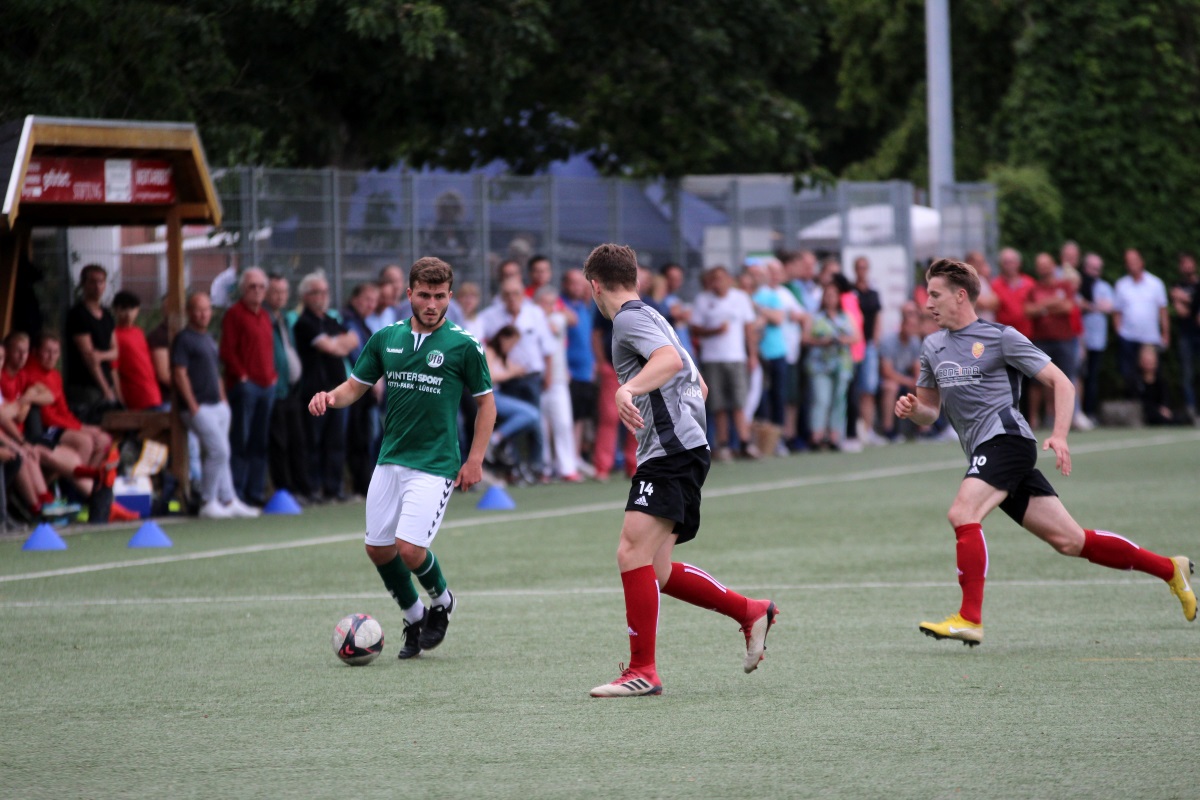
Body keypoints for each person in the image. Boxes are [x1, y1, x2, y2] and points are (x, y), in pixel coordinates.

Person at [895, 258, 1194, 647]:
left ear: (960, 295)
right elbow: (930, 410)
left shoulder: (1001, 336)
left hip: (1008, 441)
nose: (927, 303)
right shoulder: (932, 346)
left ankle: (969, 618)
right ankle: (1171, 568)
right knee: (1071, 541)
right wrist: (913, 410)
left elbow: (1062, 383)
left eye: (935, 294)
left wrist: (1061, 435)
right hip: (987, 451)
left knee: (962, 512)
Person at [582, 243, 778, 698]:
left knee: (631, 553)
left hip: (670, 454)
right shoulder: (653, 315)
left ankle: (643, 671)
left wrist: (625, 390)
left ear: (594, 285)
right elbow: (698, 382)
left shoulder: (629, 320)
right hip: (685, 448)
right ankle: (751, 610)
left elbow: (670, 364)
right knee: (658, 570)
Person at [308, 256, 496, 660]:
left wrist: (475, 458)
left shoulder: (464, 346)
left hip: (436, 463)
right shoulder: (385, 338)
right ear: (409, 294)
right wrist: (329, 397)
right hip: (391, 458)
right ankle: (414, 617)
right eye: (424, 295)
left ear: (449, 297)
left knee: (409, 548)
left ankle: (443, 602)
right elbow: (355, 387)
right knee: (378, 548)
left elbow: (487, 406)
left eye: (440, 296)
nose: (432, 304)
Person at [172, 292, 260, 520]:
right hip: (198, 407)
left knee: (224, 452)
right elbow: (179, 374)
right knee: (219, 451)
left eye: (206, 309)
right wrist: (192, 406)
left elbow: (216, 373)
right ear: (189, 312)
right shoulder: (184, 339)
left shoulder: (209, 338)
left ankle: (229, 500)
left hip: (218, 405)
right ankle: (208, 501)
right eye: (198, 309)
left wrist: (223, 400)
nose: (203, 314)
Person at [294, 272, 359, 503]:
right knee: (314, 440)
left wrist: (336, 344)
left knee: (336, 440)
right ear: (305, 295)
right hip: (314, 391)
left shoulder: (329, 320)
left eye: (325, 291)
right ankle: (313, 488)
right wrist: (336, 344)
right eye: (316, 292)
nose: (322, 296)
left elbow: (352, 340)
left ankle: (333, 488)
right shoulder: (305, 323)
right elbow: (332, 347)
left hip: (337, 391)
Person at [219, 268, 277, 506]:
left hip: (267, 385)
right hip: (246, 387)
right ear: (243, 289)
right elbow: (227, 350)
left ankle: (255, 492)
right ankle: (237, 492)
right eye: (252, 286)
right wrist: (242, 376)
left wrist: (273, 375)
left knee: (260, 441)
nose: (257, 291)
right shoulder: (234, 315)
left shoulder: (265, 315)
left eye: (261, 287)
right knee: (241, 439)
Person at [689, 265, 760, 460]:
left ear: (729, 279)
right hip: (712, 359)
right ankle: (724, 444)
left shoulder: (740, 298)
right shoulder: (703, 300)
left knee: (739, 402)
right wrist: (714, 331)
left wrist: (752, 355)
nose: (718, 282)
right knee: (718, 404)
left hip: (736, 357)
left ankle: (745, 443)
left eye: (721, 278)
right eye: (714, 278)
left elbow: (749, 328)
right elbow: (694, 328)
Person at [264, 274, 313, 503]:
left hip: (293, 390)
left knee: (297, 440)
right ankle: (284, 491)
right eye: (275, 291)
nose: (280, 296)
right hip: (276, 390)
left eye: (284, 292)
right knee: (280, 443)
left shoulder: (284, 317)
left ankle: (302, 488)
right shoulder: (264, 318)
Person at [804, 280, 859, 451]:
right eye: (827, 295)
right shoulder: (814, 317)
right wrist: (823, 341)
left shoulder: (846, 316)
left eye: (833, 296)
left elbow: (856, 337)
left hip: (841, 364)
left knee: (839, 400)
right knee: (821, 399)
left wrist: (842, 339)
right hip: (820, 364)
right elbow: (805, 338)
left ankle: (835, 436)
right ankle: (817, 436)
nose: (830, 299)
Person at [64, 263, 119, 422]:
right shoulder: (78, 314)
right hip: (85, 386)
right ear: (83, 284)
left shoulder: (107, 315)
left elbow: (115, 351)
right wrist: (106, 390)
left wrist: (100, 355)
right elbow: (89, 357)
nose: (97, 286)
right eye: (92, 282)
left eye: (101, 282)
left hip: (106, 381)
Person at [1113, 248, 1169, 395]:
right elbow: (1117, 312)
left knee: (1153, 375)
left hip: (1150, 338)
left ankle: (1155, 408)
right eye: (1129, 262)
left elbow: (1163, 311)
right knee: (1129, 375)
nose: (1132, 265)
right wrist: (1119, 332)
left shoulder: (1156, 283)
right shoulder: (1121, 285)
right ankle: (1134, 407)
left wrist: (1165, 334)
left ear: (1142, 262)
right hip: (1128, 338)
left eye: (1135, 261)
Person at [110, 291, 164, 411]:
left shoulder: (139, 332)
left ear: (138, 310)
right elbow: (114, 370)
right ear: (115, 310)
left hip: (153, 392)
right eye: (124, 308)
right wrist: (119, 398)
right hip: (135, 396)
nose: (129, 313)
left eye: (132, 308)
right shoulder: (114, 335)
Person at [1078, 252, 1114, 426]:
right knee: (1077, 377)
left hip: (1097, 340)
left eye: (1098, 268)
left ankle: (1089, 412)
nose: (1095, 272)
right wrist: (1094, 305)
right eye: (1092, 268)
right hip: (1079, 340)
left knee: (1092, 378)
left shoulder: (1104, 286)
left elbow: (1108, 306)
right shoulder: (1079, 284)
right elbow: (1077, 304)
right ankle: (1076, 413)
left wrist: (1089, 305)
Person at [1169, 252, 1199, 418]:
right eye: (1184, 263)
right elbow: (1182, 313)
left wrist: (1184, 298)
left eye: (1189, 263)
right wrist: (1192, 301)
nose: (1187, 266)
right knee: (1187, 374)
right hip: (1186, 335)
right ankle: (1191, 410)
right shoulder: (1177, 285)